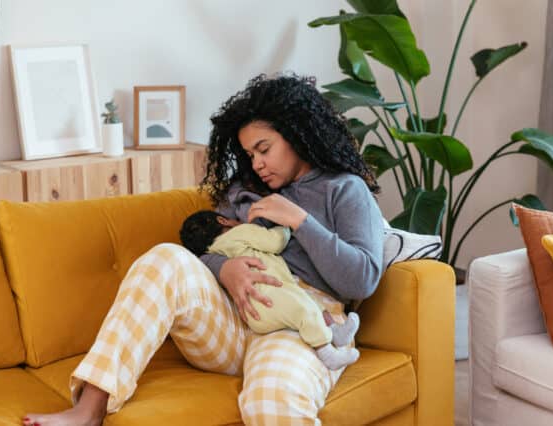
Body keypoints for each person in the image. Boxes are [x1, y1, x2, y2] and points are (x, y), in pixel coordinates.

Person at [23, 73, 384, 426]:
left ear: (297, 135)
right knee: (165, 258)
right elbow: (206, 248)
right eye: (249, 154)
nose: (257, 163)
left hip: (301, 324)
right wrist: (223, 269)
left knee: (272, 404)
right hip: (229, 320)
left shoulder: (344, 189)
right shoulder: (246, 188)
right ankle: (90, 409)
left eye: (264, 149)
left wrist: (300, 221)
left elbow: (361, 280)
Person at [180, 209, 361, 370]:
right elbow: (274, 242)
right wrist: (285, 225)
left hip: (257, 311)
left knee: (309, 303)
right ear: (223, 220)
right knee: (304, 309)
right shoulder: (239, 233)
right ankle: (327, 353)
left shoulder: (214, 253)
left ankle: (335, 332)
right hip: (269, 298)